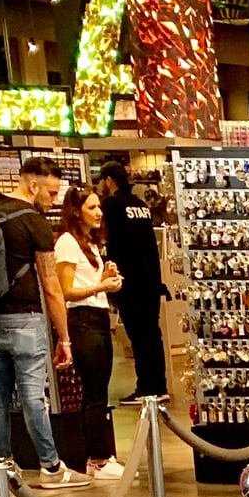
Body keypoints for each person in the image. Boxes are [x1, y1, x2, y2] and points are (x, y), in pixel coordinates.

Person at [0, 152, 82, 488]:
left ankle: (2, 463)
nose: (54, 200)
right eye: (52, 192)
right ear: (33, 185)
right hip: (24, 317)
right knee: (32, 394)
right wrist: (64, 337)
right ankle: (51, 467)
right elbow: (51, 285)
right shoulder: (33, 221)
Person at [54, 183, 125, 480]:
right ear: (76, 211)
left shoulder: (90, 243)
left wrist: (105, 278)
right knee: (94, 392)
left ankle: (100, 455)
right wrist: (100, 286)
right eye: (92, 207)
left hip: (97, 318)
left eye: (99, 207)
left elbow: (87, 285)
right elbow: (65, 290)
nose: (99, 213)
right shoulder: (68, 242)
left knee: (100, 390)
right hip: (81, 321)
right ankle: (97, 458)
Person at [96, 155, 169, 400]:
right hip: (150, 281)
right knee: (153, 333)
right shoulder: (140, 205)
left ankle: (146, 387)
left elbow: (111, 245)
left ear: (108, 180)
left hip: (130, 283)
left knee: (139, 336)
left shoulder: (112, 206)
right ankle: (160, 385)